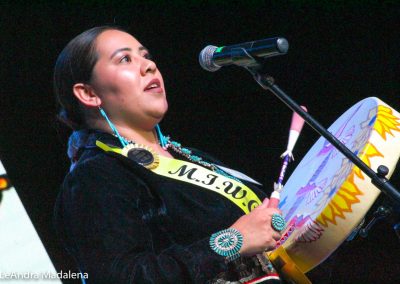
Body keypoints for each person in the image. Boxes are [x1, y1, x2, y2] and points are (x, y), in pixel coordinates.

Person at [53, 25, 283, 283]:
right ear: (89, 93)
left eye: (146, 56)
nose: (148, 66)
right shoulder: (94, 177)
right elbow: (121, 277)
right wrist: (232, 241)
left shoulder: (188, 155)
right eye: (125, 59)